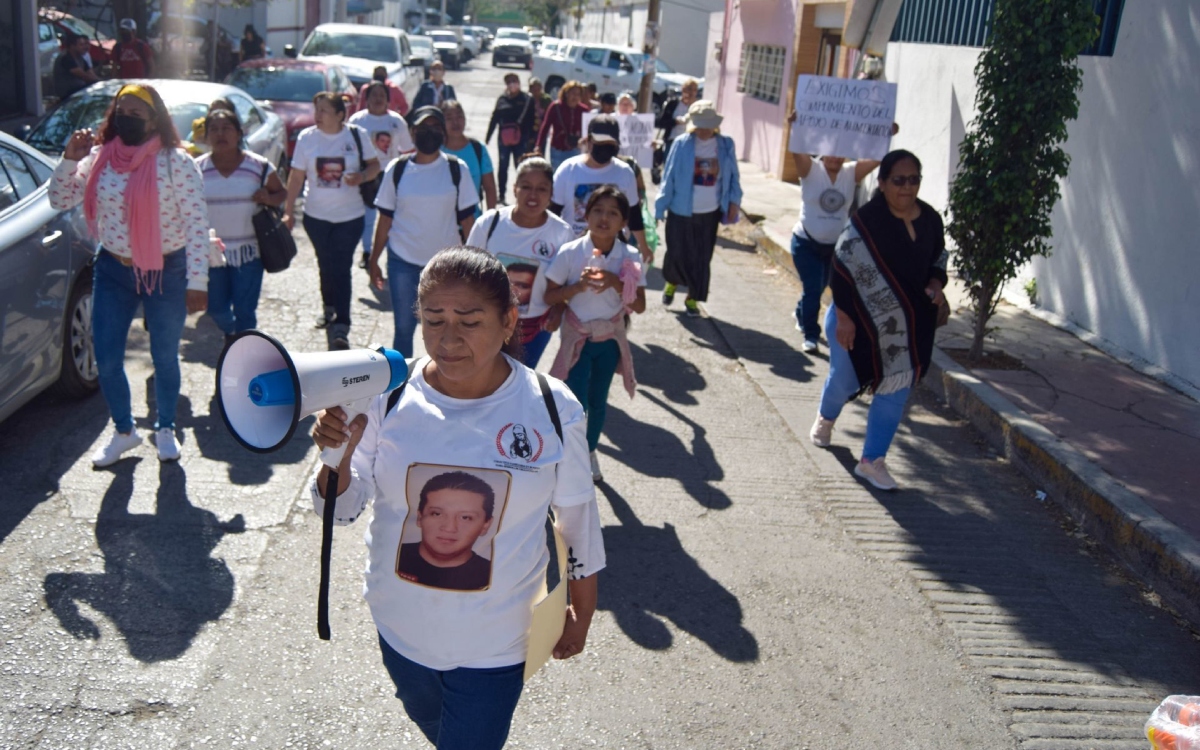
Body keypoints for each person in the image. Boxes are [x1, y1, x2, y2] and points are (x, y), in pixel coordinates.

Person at [311, 246, 604, 749]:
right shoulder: (387, 394)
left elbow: (577, 519)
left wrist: (582, 611)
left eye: (469, 321)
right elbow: (341, 506)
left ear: (509, 320)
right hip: (399, 630)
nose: (448, 340)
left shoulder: (553, 407)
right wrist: (335, 458)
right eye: (433, 320)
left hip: (497, 645)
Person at [49, 84, 210, 466]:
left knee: (164, 356)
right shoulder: (100, 157)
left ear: (155, 119)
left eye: (136, 113)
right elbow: (60, 198)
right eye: (121, 110)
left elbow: (197, 225)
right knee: (105, 357)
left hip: (166, 270)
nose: (127, 118)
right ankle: (125, 431)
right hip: (112, 267)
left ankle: (166, 427)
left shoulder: (175, 162)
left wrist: (197, 282)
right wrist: (69, 161)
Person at [809, 150, 947, 492]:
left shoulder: (930, 219)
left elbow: (938, 258)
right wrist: (843, 318)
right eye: (898, 180)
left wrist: (935, 283)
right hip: (854, 321)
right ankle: (826, 419)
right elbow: (840, 269)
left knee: (895, 388)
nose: (906, 187)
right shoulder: (867, 222)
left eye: (913, 179)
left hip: (905, 332)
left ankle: (872, 461)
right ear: (882, 183)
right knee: (843, 381)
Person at [546, 186, 646, 483]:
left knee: (598, 401)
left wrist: (617, 282)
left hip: (609, 342)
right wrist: (575, 288)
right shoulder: (571, 252)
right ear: (585, 215)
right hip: (577, 339)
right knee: (575, 401)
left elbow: (639, 305)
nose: (605, 218)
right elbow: (550, 295)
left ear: (623, 222)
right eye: (598, 211)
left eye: (613, 213)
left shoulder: (629, 256)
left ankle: (589, 452)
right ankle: (568, 455)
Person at [368, 106, 479, 357]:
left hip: (445, 266)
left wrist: (475, 265)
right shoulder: (397, 169)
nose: (429, 133)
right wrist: (373, 260)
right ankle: (403, 383)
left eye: (435, 128)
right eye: (423, 128)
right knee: (404, 329)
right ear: (412, 132)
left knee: (443, 329)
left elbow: (468, 220)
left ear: (443, 133)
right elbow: (384, 220)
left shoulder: (456, 169)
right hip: (402, 262)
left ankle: (439, 381)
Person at [786, 111, 890, 353]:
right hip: (806, 242)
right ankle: (811, 334)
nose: (834, 156)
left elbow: (877, 157)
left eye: (840, 150)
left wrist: (885, 133)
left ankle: (801, 311)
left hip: (834, 246)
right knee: (813, 287)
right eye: (830, 150)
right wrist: (795, 127)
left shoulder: (851, 172)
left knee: (820, 287)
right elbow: (796, 151)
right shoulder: (810, 170)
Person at [284, 92, 381, 350]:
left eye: (324, 110)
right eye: (316, 110)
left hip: (349, 217)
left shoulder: (357, 136)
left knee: (341, 268)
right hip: (316, 217)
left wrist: (361, 177)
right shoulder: (307, 138)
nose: (318, 115)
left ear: (340, 115)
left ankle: (342, 325)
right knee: (325, 266)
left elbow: (375, 166)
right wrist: (287, 210)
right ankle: (328, 309)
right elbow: (295, 177)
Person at [467, 157, 575, 367]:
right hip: (489, 322)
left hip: (537, 327)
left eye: (542, 189)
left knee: (520, 385)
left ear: (551, 193)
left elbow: (566, 282)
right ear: (514, 188)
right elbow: (466, 275)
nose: (533, 195)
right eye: (526, 187)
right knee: (483, 380)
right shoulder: (488, 223)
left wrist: (559, 309)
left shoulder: (562, 233)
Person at [197, 109, 286, 344]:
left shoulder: (259, 166)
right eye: (213, 129)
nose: (220, 134)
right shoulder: (195, 170)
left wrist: (268, 197)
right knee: (216, 310)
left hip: (249, 253)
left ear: (238, 133)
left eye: (226, 128)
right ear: (206, 137)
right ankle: (233, 334)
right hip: (212, 255)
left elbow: (282, 194)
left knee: (246, 312)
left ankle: (245, 355)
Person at [653, 100, 742, 318]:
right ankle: (672, 283)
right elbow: (669, 176)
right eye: (700, 124)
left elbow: (733, 177)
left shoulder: (726, 145)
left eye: (708, 125)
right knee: (677, 253)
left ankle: (692, 298)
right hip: (680, 209)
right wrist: (660, 206)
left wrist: (734, 202)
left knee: (702, 258)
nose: (704, 130)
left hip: (709, 212)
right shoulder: (681, 143)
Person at [550, 115, 652, 263]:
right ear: (589, 141)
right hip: (573, 251)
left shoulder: (624, 172)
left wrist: (643, 246)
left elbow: (634, 214)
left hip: (613, 253)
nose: (604, 148)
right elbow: (554, 212)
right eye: (600, 143)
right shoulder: (568, 169)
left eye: (609, 144)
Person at [350, 81, 415, 269]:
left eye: (382, 95)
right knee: (369, 216)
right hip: (368, 175)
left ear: (388, 99)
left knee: (390, 217)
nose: (378, 99)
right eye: (374, 95)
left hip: (391, 176)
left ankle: (388, 253)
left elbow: (408, 150)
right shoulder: (356, 121)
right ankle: (367, 252)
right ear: (366, 99)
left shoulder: (397, 121)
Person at [441, 100, 496, 215]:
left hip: (473, 224)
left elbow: (490, 188)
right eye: (449, 118)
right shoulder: (436, 151)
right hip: (442, 227)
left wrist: (490, 222)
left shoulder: (478, 149)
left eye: (459, 116)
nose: (455, 122)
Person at [485, 73, 530, 205]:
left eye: (514, 80)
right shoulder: (502, 99)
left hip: (520, 140)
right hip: (504, 140)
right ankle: (502, 194)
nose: (512, 84)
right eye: (509, 81)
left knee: (520, 167)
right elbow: (494, 118)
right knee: (503, 167)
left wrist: (530, 140)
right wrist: (488, 136)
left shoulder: (526, 99)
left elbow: (531, 120)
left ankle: (520, 193)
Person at [536, 81, 589, 171]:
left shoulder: (584, 110)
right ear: (566, 93)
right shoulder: (555, 107)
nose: (575, 97)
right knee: (558, 177)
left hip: (576, 149)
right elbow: (545, 126)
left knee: (573, 178)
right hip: (558, 149)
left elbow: (588, 130)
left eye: (578, 94)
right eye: (573, 93)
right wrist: (538, 145)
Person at [656, 79, 699, 157]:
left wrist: (693, 105)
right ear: (683, 89)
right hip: (672, 140)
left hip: (689, 142)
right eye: (689, 89)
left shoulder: (697, 106)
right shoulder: (673, 103)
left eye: (694, 90)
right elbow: (661, 122)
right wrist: (675, 122)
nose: (691, 92)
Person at [53, 32, 100, 101]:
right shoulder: (66, 58)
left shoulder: (80, 57)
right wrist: (98, 82)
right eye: (81, 45)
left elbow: (90, 73)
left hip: (79, 91)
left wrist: (101, 81)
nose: (84, 47)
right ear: (72, 46)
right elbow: (83, 76)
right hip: (68, 95)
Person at [519, 77, 552, 153]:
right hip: (529, 130)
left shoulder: (546, 99)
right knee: (528, 152)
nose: (536, 91)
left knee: (540, 151)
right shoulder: (527, 99)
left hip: (542, 130)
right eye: (534, 88)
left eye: (538, 88)